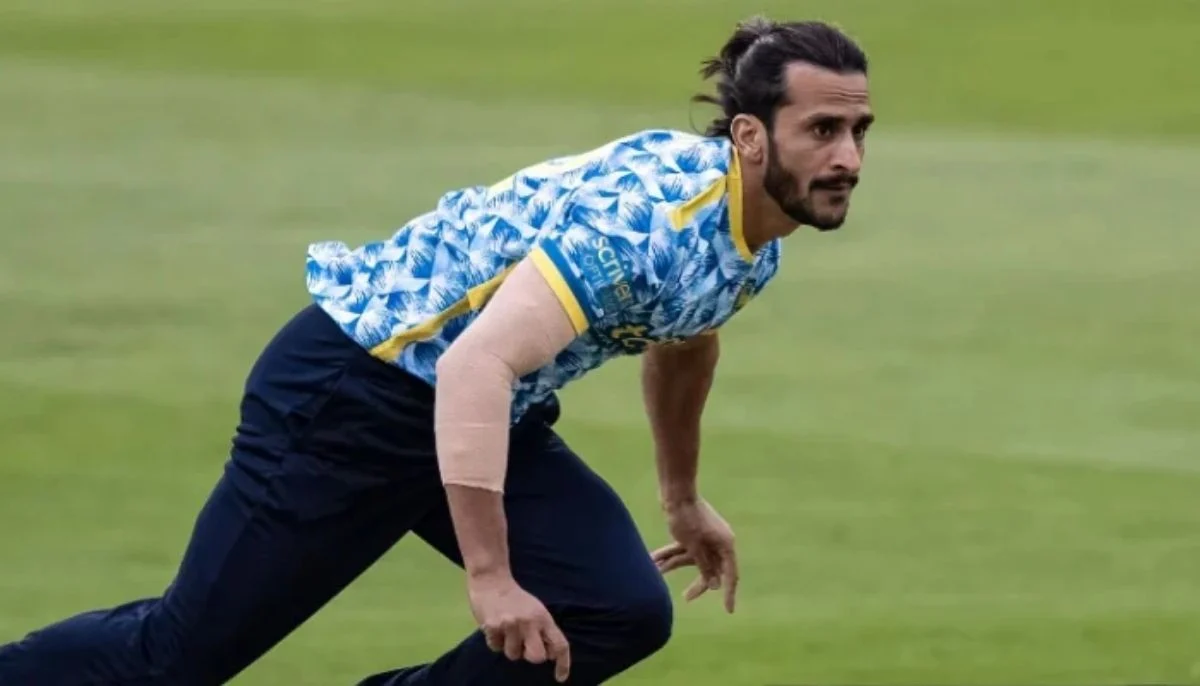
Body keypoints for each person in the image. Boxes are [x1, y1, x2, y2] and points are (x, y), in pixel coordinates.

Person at [0, 15, 872, 686]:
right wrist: (490, 576)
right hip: (351, 396)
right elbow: (473, 366)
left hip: (481, 413)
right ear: (749, 136)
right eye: (823, 130)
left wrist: (681, 498)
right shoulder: (646, 224)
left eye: (859, 129)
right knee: (175, 660)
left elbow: (686, 337)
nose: (849, 158)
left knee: (617, 609)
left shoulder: (753, 236)